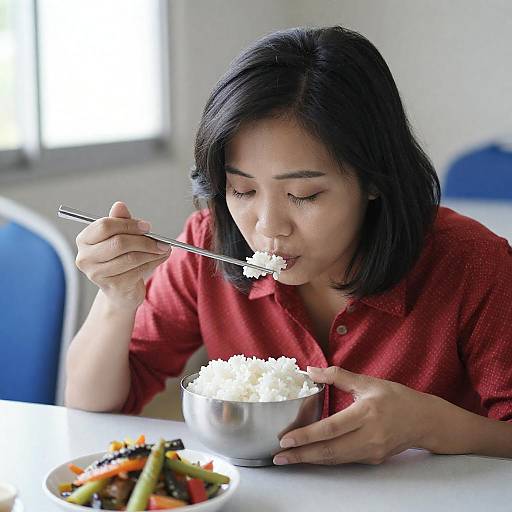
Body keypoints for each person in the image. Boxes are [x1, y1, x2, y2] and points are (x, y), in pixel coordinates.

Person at [65, 26, 512, 464]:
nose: (268, 227)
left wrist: (428, 424)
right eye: (241, 190)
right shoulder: (207, 241)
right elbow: (92, 410)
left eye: (304, 195)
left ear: (374, 180)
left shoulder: (472, 263)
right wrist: (117, 298)